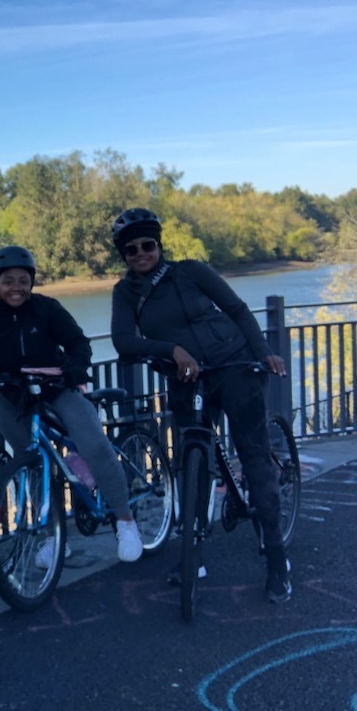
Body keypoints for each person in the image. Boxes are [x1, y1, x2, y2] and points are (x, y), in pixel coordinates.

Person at [109, 207, 292, 602]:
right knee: (192, 464)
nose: (140, 253)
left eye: (147, 245)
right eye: (131, 250)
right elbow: (123, 341)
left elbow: (238, 310)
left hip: (234, 364)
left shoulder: (191, 271)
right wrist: (171, 350)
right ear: (123, 255)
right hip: (185, 379)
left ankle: (277, 558)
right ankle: (193, 557)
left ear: (159, 245)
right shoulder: (125, 292)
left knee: (254, 454)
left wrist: (265, 352)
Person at [0, 245, 144, 565]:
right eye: (8, 281)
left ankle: (126, 522)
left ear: (32, 282)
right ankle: (53, 537)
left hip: (57, 388)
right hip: (11, 396)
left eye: (23, 280)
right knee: (30, 464)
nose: (16, 287)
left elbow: (77, 342)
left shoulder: (48, 309)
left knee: (95, 446)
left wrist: (76, 368)